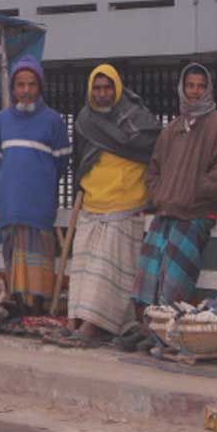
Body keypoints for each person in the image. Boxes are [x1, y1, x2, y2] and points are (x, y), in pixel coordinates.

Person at [58, 64, 161, 349]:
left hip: (125, 203)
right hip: (92, 202)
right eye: (97, 88)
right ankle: (74, 322)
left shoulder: (138, 118)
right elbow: (81, 159)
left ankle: (92, 327)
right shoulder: (84, 120)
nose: (102, 94)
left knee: (106, 273)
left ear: (117, 88)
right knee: (81, 270)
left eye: (107, 88)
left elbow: (152, 150)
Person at [136, 63, 217, 339]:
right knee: (149, 279)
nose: (195, 92)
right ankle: (150, 335)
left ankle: (168, 339)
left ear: (209, 89)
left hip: (194, 217)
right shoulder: (172, 129)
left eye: (200, 86)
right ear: (182, 88)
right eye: (190, 85)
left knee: (174, 286)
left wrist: (193, 193)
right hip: (165, 215)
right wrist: (161, 195)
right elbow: (154, 170)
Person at [0, 56, 70, 314]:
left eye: (32, 85)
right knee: (13, 262)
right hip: (10, 205)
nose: (26, 91)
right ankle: (18, 312)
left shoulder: (53, 121)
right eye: (21, 85)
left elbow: (61, 164)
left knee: (38, 268)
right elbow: (1, 161)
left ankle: (36, 312)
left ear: (40, 88)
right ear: (13, 89)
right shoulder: (2, 120)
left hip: (39, 207)